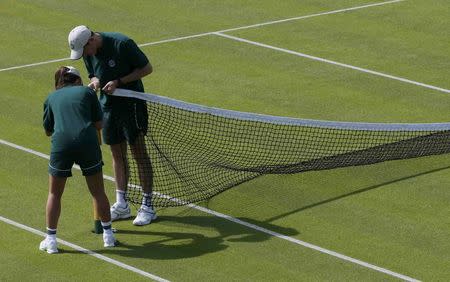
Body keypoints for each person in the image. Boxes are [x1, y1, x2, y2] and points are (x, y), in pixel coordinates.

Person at [67, 25, 156, 226]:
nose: (84, 55)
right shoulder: (87, 52)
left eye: (85, 50)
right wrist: (96, 82)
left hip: (131, 106)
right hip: (107, 108)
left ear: (91, 41)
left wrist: (119, 81)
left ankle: (148, 206)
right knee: (117, 154)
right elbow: (93, 74)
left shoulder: (122, 44)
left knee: (138, 153)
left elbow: (146, 69)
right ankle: (122, 204)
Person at [40, 66, 116, 254]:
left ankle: (51, 241)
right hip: (87, 141)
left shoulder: (51, 97)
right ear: (76, 80)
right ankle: (109, 237)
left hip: (61, 143)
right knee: (98, 191)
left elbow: (48, 130)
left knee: (54, 194)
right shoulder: (87, 92)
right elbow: (99, 124)